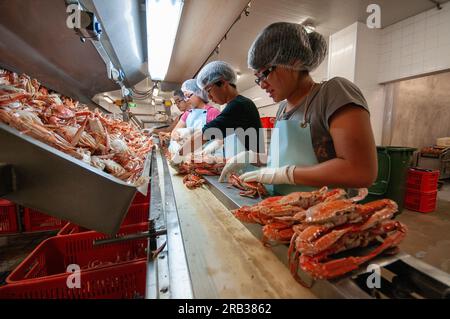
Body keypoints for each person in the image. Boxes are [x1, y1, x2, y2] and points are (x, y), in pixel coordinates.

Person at [219, 22, 377, 194]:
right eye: (257, 78)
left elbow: (361, 171)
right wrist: (254, 158)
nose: (262, 85)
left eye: (265, 73)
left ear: (294, 62)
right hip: (281, 207)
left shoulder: (332, 93)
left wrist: (287, 174)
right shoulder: (282, 109)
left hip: (324, 211)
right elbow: (284, 160)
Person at [178, 61, 263, 158]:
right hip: (241, 164)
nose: (209, 97)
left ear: (222, 83)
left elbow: (205, 134)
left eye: (209, 90)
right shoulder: (236, 104)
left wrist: (180, 153)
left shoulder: (239, 105)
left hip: (250, 167)